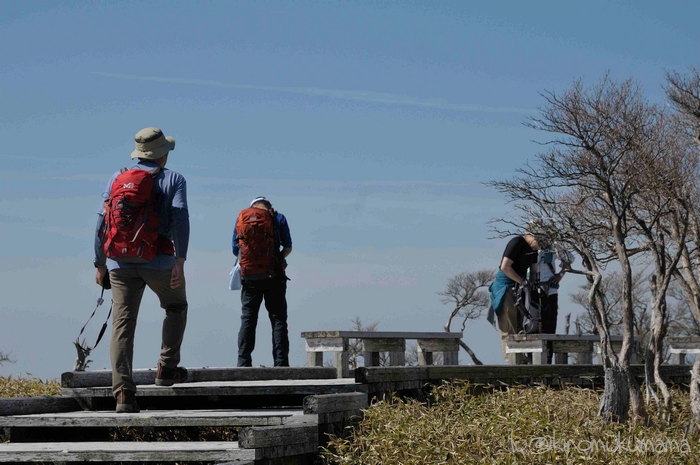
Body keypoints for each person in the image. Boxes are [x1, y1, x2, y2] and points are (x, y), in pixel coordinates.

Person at [93, 127, 190, 413]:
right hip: (159, 259)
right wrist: (180, 261)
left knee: (122, 325)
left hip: (120, 263)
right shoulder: (174, 179)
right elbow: (180, 219)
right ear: (162, 154)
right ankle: (166, 368)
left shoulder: (117, 177)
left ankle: (123, 393)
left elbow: (101, 222)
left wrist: (100, 263)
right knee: (176, 306)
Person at [232, 196, 292, 367]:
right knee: (278, 319)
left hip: (249, 277)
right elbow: (288, 248)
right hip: (275, 277)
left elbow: (235, 249)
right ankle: (281, 364)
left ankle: (243, 363)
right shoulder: (278, 218)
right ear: (269, 206)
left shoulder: (242, 218)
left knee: (248, 319)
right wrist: (276, 260)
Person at [488, 226, 548, 362]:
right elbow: (505, 267)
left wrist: (532, 288)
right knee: (508, 324)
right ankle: (511, 359)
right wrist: (522, 281)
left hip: (521, 288)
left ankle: (521, 357)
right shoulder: (517, 242)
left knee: (522, 324)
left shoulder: (534, 251)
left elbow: (533, 271)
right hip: (505, 287)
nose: (539, 248)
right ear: (534, 237)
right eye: (540, 244)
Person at [533, 244, 573, 363]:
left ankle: (548, 360)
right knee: (533, 326)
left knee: (549, 325)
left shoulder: (553, 245)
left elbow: (569, 259)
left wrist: (560, 275)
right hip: (532, 290)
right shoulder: (527, 246)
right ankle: (533, 361)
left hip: (550, 289)